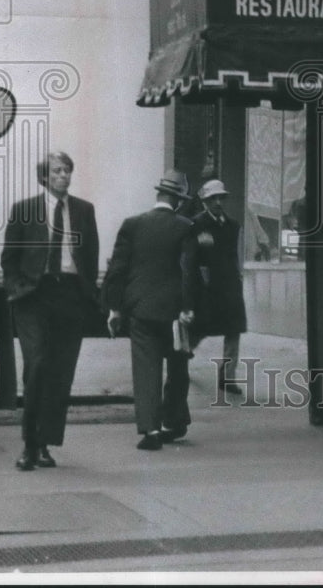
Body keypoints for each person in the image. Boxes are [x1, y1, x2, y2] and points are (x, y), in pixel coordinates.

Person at [1, 150, 99, 471]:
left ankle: (45, 444)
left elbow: (90, 256)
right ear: (44, 177)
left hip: (69, 297)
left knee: (60, 373)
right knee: (38, 364)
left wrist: (87, 295)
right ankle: (30, 444)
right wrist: (16, 289)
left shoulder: (84, 210)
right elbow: (9, 258)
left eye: (67, 171)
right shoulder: (24, 210)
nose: (63, 177)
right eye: (57, 171)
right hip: (34, 297)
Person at [101, 170, 194, 450]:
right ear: (178, 201)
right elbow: (187, 272)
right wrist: (188, 308)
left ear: (158, 195)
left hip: (140, 309)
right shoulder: (185, 227)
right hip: (175, 313)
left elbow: (117, 271)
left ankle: (150, 431)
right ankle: (173, 421)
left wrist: (115, 309)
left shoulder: (132, 225)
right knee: (178, 368)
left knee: (145, 369)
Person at [180, 179, 248, 396]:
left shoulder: (232, 226)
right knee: (197, 331)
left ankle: (227, 377)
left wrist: (238, 279)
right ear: (205, 201)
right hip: (205, 290)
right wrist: (189, 296)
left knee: (233, 332)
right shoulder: (195, 225)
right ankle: (182, 363)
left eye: (221, 198)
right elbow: (188, 263)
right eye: (213, 199)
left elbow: (235, 257)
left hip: (229, 289)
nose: (218, 202)